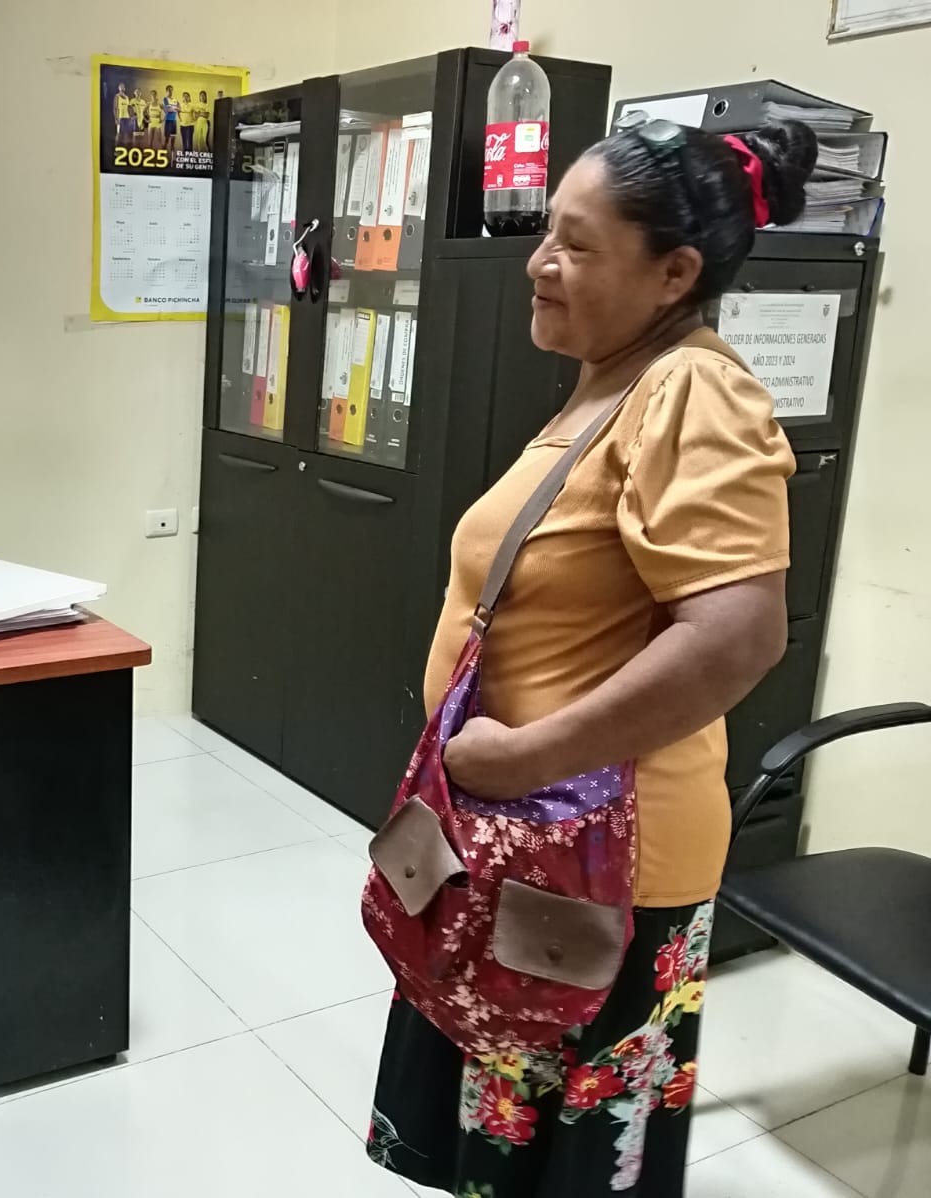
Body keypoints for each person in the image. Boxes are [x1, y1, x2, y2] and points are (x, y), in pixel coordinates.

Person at [366, 116, 818, 1197]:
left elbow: (738, 633)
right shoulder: (611, 380)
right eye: (546, 234)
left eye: (575, 244)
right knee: (506, 1151)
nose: (539, 263)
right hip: (526, 845)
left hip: (598, 865)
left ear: (674, 273)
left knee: (569, 1169)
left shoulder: (692, 391)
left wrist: (525, 757)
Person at [113, 81, 133, 146]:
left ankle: (124, 146)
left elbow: (128, 107)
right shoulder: (117, 96)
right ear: (118, 88)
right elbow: (115, 108)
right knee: (119, 133)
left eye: (123, 87)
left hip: (126, 117)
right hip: (120, 117)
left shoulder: (127, 97)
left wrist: (130, 116)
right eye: (120, 87)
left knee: (126, 133)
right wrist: (116, 118)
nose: (122, 88)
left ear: (125, 88)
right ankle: (117, 147)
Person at [161, 85, 179, 149]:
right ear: (166, 91)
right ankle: (164, 150)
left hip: (174, 120)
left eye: (171, 90)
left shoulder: (175, 100)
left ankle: (172, 151)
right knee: (167, 138)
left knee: (173, 137)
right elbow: (168, 109)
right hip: (168, 120)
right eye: (169, 90)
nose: (170, 91)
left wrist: (173, 108)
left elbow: (179, 108)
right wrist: (174, 108)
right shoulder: (165, 99)